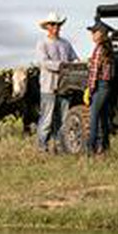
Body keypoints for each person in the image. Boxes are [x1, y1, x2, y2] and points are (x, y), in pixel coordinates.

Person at [36, 11, 78, 153]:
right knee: (47, 119)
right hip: (49, 86)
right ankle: (43, 147)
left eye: (58, 24)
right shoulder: (42, 43)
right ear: (47, 26)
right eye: (52, 24)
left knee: (63, 119)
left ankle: (60, 147)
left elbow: (74, 59)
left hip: (65, 87)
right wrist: (61, 65)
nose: (55, 27)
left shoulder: (66, 43)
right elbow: (43, 62)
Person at [85, 21, 113, 154]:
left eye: (94, 32)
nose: (92, 35)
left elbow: (94, 72)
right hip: (107, 86)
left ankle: (91, 147)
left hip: (100, 85)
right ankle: (105, 146)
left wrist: (90, 89)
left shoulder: (99, 49)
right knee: (103, 117)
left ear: (100, 34)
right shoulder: (108, 48)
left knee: (93, 116)